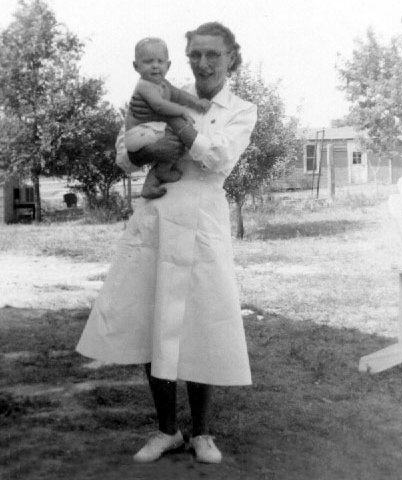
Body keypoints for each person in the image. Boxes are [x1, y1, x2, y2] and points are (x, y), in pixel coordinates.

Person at [76, 21, 257, 464]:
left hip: (202, 219)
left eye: (213, 54)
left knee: (202, 321)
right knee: (151, 319)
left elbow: (219, 158)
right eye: (195, 54)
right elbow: (125, 151)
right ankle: (166, 430)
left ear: (231, 57)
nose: (203, 62)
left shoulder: (241, 109)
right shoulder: (159, 88)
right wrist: (149, 147)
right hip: (157, 216)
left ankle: (202, 434)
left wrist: (173, 128)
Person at [125, 37, 211, 199]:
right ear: (136, 67)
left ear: (168, 65)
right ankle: (164, 170)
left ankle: (151, 183)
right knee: (175, 128)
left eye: (160, 61)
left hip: (147, 133)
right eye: (148, 62)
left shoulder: (163, 84)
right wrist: (181, 112)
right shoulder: (145, 85)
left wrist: (196, 102)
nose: (155, 66)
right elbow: (158, 105)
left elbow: (179, 94)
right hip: (137, 134)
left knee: (173, 137)